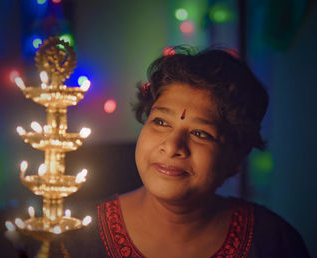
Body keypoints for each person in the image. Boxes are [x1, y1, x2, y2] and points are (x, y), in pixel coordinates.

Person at [92, 46, 310, 258]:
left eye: (200, 134)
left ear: (235, 159)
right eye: (160, 121)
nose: (172, 146)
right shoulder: (79, 234)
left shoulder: (273, 242)